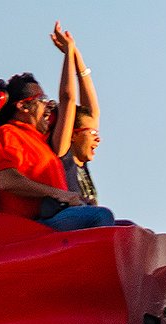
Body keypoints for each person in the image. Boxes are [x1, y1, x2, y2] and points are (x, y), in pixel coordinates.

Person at [0, 24, 113, 232]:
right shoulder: (6, 134)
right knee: (100, 216)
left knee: (127, 228)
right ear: (23, 106)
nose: (49, 105)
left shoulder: (41, 139)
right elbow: (7, 180)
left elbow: (87, 111)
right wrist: (56, 193)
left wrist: (75, 55)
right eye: (42, 99)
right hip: (31, 226)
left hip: (55, 217)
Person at [50, 23, 100, 205]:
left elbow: (93, 110)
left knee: (131, 228)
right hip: (65, 225)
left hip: (88, 225)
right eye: (92, 133)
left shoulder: (81, 163)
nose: (98, 139)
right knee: (103, 216)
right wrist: (69, 54)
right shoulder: (64, 154)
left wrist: (76, 54)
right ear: (74, 135)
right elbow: (67, 99)